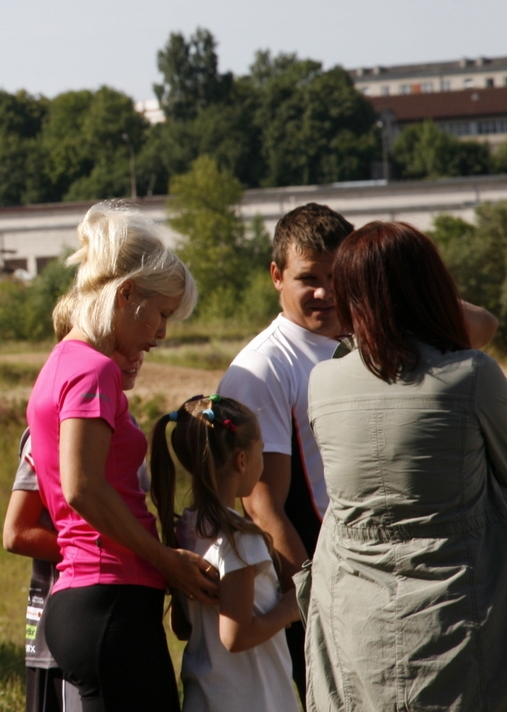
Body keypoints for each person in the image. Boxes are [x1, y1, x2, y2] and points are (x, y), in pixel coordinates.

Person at [217, 202, 497, 699]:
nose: (325, 293)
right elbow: (265, 507)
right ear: (276, 276)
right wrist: (308, 601)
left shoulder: (361, 339)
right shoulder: (263, 368)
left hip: (376, 577)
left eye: (337, 276)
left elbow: (483, 326)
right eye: (309, 279)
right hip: (336, 578)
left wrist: (397, 289)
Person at [302, 221, 507, 712]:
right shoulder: (470, 376)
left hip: (355, 624)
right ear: (431, 286)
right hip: (459, 619)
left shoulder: (323, 382)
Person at [28, 202, 219, 712]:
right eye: (161, 314)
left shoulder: (63, 361)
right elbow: (82, 487)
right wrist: (167, 561)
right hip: (109, 594)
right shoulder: (94, 371)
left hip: (90, 595)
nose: (162, 333)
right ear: (127, 293)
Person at [3, 351, 143, 712]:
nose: (137, 355)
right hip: (67, 627)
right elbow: (17, 532)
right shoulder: (52, 430)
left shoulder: (127, 428)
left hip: (117, 612)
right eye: (121, 346)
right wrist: (116, 550)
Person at [150, 395, 301, 712]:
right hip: (253, 700)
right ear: (242, 460)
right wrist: (291, 607)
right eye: (261, 451)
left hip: (205, 697)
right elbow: (235, 636)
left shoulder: (189, 529)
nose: (262, 462)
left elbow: (182, 626)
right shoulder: (238, 538)